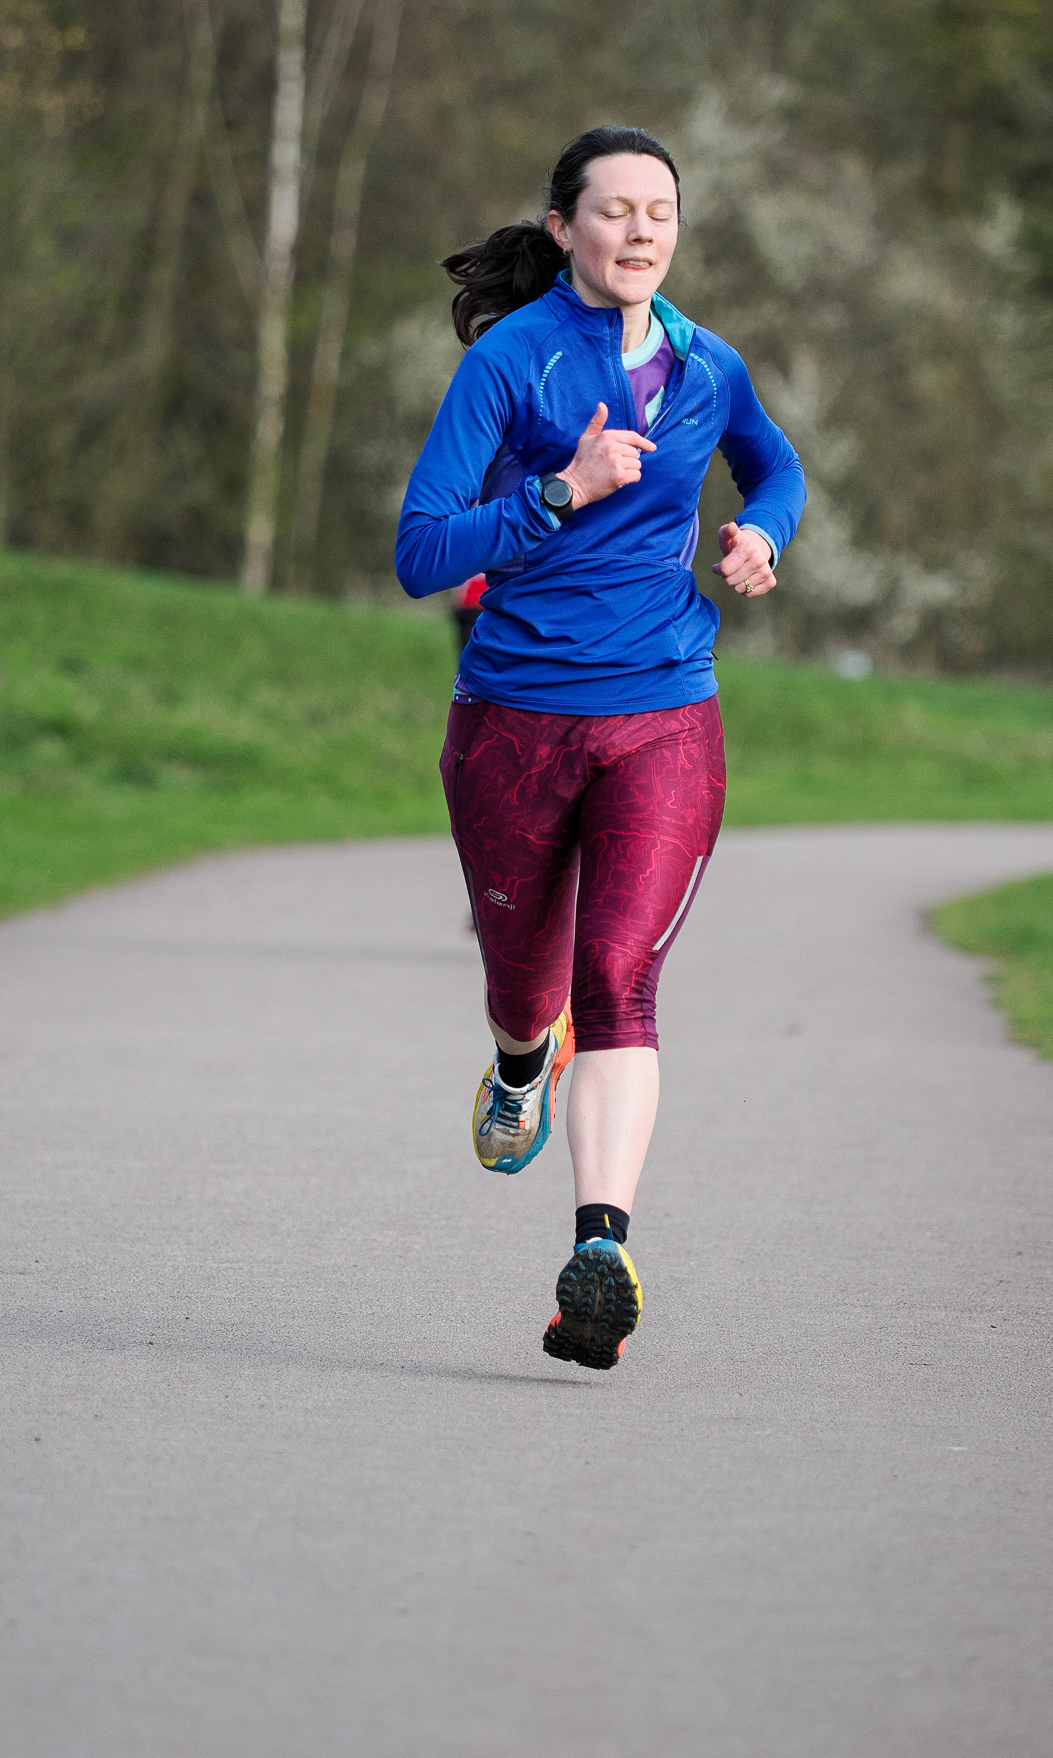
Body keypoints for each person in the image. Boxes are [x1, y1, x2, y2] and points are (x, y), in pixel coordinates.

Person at [396, 125, 805, 1369]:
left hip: (664, 709)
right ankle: (522, 1059)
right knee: (528, 991)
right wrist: (557, 491)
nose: (640, 230)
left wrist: (763, 534)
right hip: (514, 716)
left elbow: (774, 465)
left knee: (617, 971)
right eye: (615, 209)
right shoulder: (509, 364)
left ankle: (599, 1247)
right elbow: (421, 551)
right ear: (567, 227)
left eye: (660, 211)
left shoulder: (705, 362)